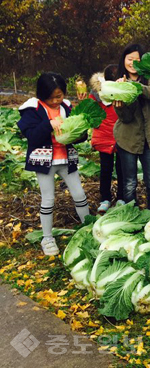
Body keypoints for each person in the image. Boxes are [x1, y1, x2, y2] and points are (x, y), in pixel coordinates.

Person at [17, 72, 90, 255]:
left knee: (79, 194)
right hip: (44, 162)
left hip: (67, 158)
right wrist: (50, 124)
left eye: (59, 96)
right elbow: (31, 136)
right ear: (42, 95)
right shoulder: (32, 108)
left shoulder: (66, 106)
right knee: (48, 199)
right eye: (51, 98)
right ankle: (47, 238)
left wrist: (80, 131)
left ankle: (88, 228)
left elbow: (80, 135)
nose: (56, 101)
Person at [113, 44, 150, 213]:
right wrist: (120, 105)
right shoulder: (118, 83)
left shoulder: (149, 77)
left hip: (149, 138)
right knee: (129, 184)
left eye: (138, 60)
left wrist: (134, 88)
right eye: (130, 59)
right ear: (124, 61)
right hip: (127, 139)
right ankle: (131, 217)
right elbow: (125, 118)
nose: (133, 63)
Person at [89, 64, 125, 214]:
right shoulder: (97, 94)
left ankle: (122, 197)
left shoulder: (123, 90)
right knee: (106, 169)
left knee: (122, 169)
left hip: (121, 134)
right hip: (104, 135)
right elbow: (91, 113)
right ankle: (105, 198)